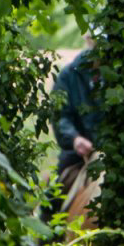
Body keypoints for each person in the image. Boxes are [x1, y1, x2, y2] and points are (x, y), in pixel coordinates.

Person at [43, 30, 102, 219]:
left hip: (116, 151)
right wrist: (75, 139)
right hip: (78, 154)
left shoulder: (120, 74)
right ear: (89, 42)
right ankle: (45, 242)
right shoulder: (69, 76)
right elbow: (60, 115)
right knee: (56, 193)